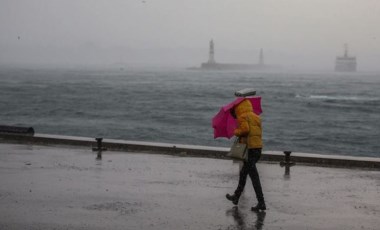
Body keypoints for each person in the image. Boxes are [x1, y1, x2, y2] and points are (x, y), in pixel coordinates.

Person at [226, 99, 266, 211]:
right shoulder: (256, 116)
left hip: (250, 150)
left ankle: (261, 202)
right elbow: (255, 132)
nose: (234, 115)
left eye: (234, 112)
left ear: (238, 109)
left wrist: (236, 131)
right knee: (244, 173)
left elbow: (245, 130)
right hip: (257, 148)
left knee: (253, 177)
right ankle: (236, 196)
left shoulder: (242, 116)